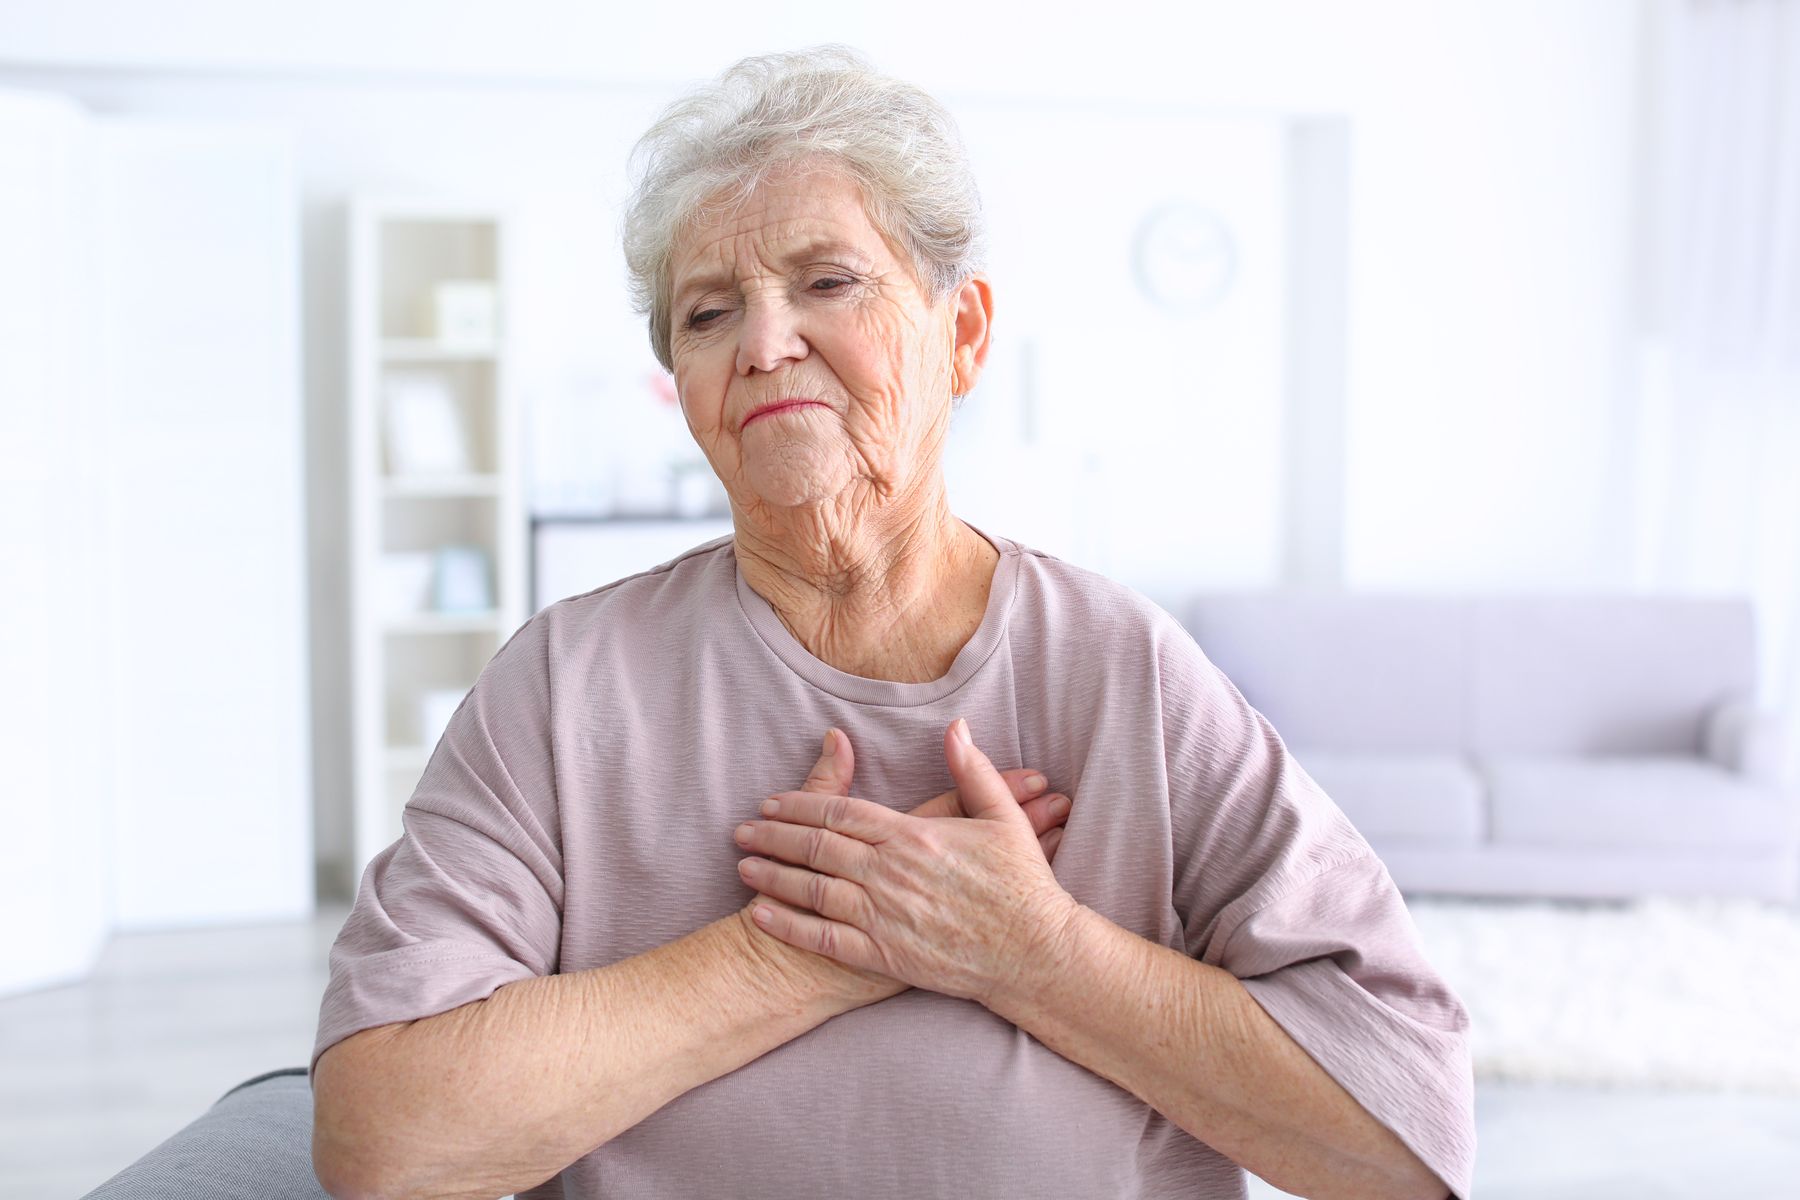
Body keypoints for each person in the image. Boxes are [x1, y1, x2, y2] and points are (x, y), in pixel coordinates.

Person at [309, 44, 1475, 1200]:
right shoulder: (565, 686)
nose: (766, 344)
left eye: (828, 283)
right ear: (684, 386)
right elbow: (386, 1143)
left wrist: (1034, 953)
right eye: (710, 312)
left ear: (960, 333)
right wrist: (792, 950)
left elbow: (1410, 1134)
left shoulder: (1124, 670)